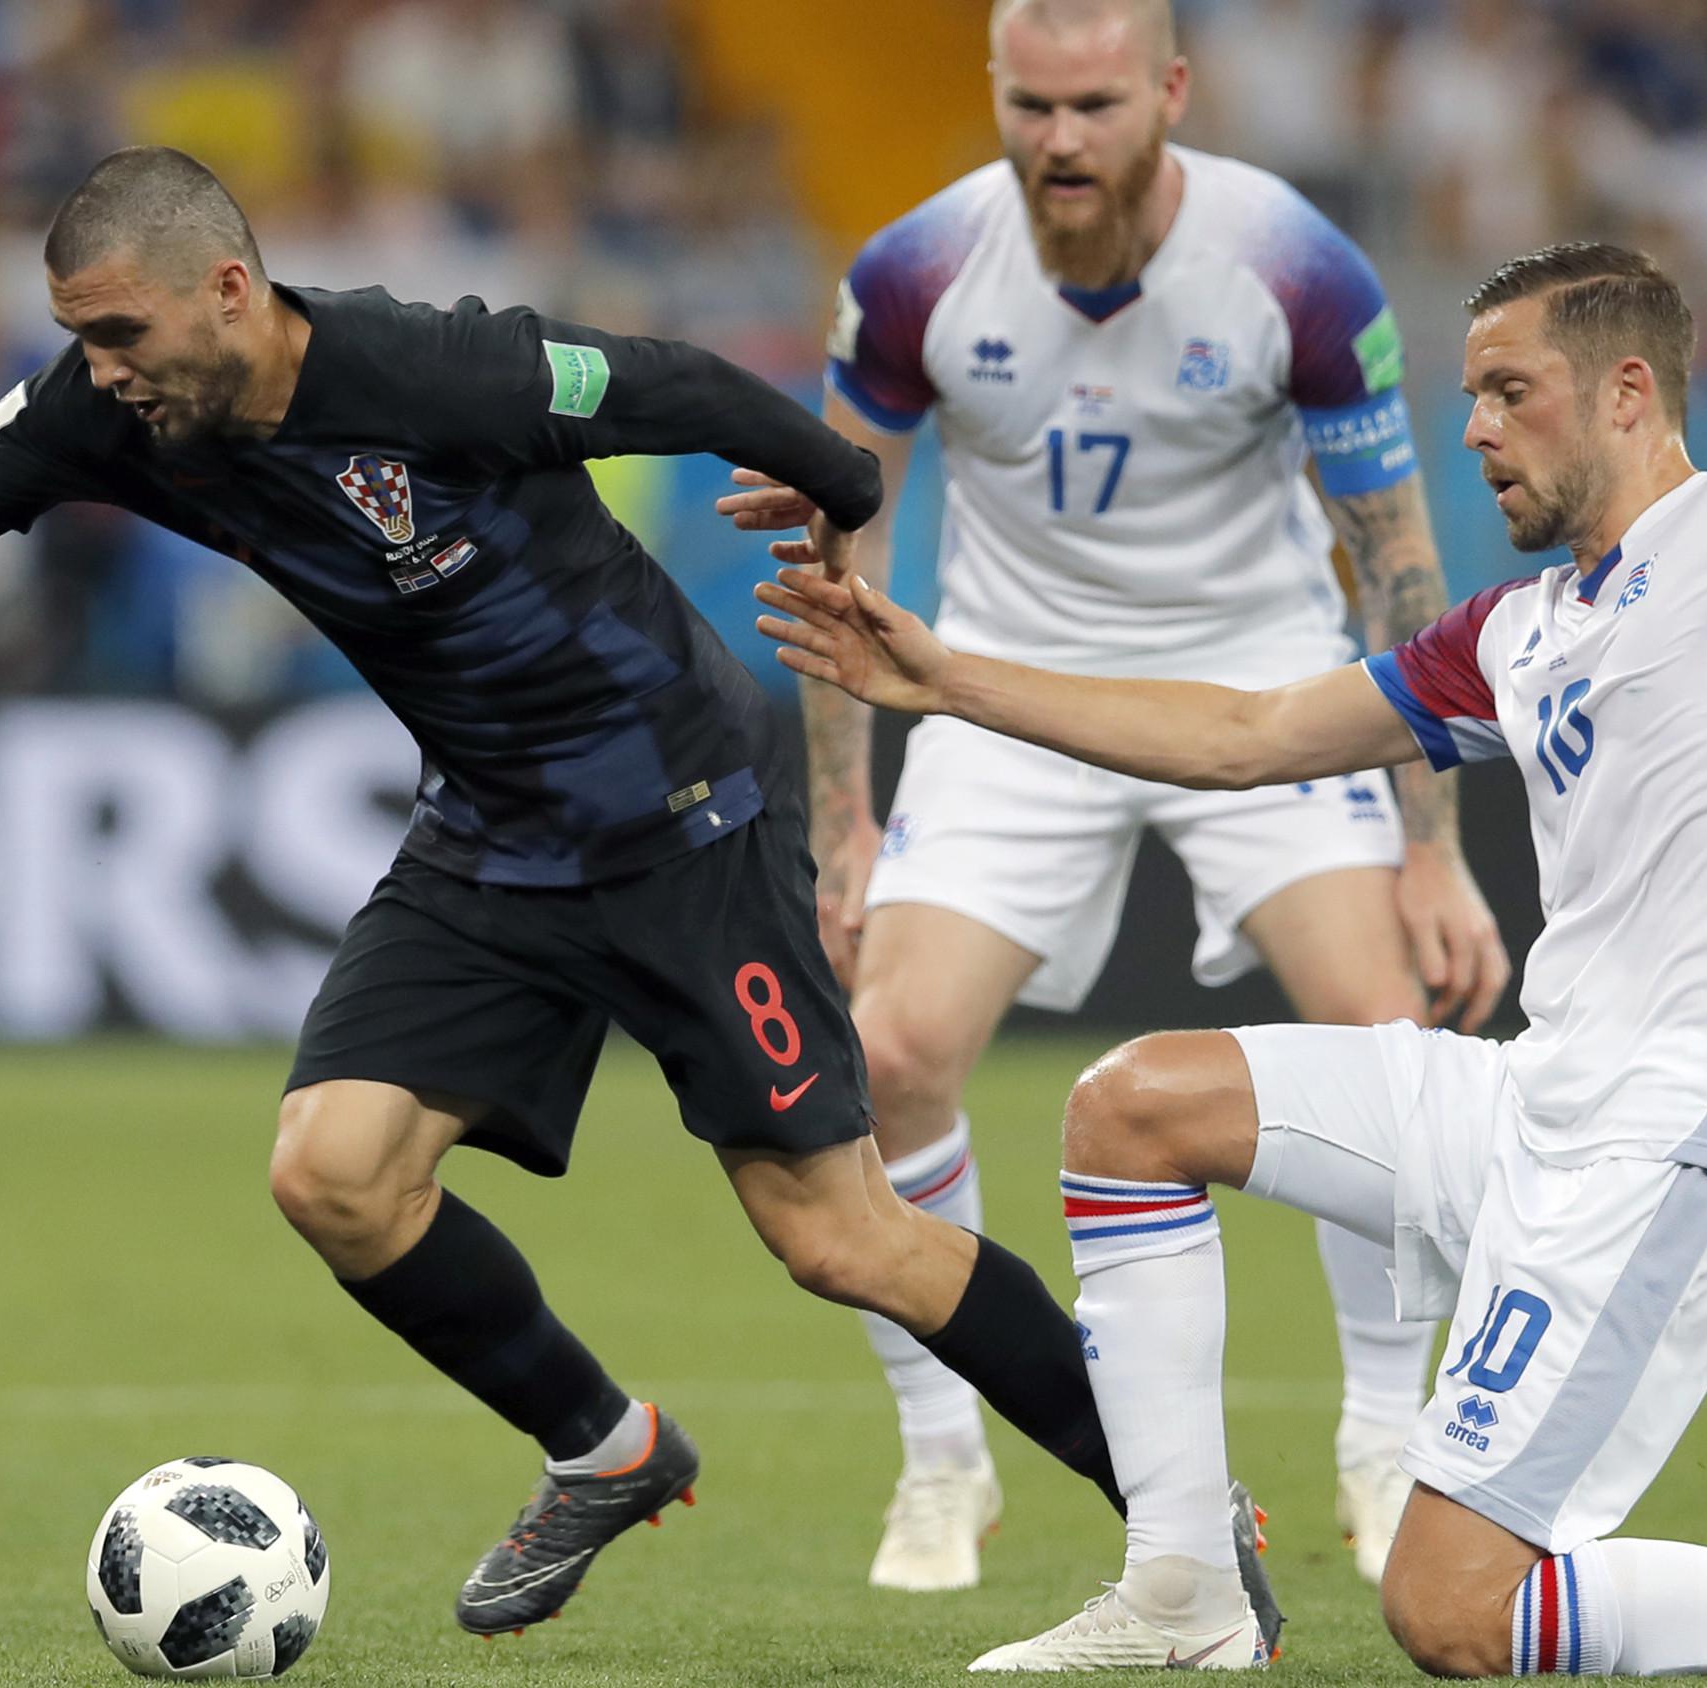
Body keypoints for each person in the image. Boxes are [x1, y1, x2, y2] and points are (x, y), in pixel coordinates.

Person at [0, 145, 1191, 1642]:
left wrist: (843, 493)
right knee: (331, 1174)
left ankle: (1185, 1527)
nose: (95, 368)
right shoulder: (104, 422)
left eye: (117, 331)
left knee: (839, 1241)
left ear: (230, 290)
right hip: (490, 838)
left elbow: (673, 385)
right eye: (74, 341)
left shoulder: (438, 371)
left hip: (681, 817)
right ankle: (604, 1449)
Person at [754, 241, 1707, 1679]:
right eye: (1471, 394)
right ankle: (1184, 1591)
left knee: (1453, 1612)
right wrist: (945, 682)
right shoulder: (1517, 630)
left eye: (1509, 391)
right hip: (1539, 1099)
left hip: (1683, 1132)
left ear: (1627, 393)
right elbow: (1241, 738)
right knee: (1135, 1107)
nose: (1476, 426)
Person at [716, 0, 1507, 1593]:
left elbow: (1399, 563)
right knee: (889, 1051)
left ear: (1171, 92)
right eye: (1032, 105)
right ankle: (944, 1462)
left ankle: (1379, 1436)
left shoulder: (1295, 267)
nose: (1060, 140)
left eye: (1093, 104)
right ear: (994, 93)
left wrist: (1439, 853)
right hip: (1005, 692)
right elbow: (837, 556)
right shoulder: (913, 275)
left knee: (1388, 1041)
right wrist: (847, 819)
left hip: (1259, 683)